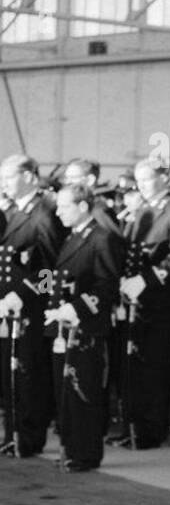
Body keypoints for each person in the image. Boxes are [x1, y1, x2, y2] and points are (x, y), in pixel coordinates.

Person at [112, 160, 170, 450]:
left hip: (160, 302)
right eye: (139, 180)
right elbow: (132, 252)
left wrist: (146, 279)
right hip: (136, 301)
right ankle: (133, 427)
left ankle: (152, 430)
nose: (142, 186)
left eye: (147, 179)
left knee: (155, 369)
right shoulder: (142, 211)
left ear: (163, 179)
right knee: (133, 367)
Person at [45, 185, 124, 471]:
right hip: (64, 326)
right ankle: (71, 448)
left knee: (83, 392)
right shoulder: (73, 237)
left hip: (86, 328)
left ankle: (86, 453)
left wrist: (77, 307)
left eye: (64, 206)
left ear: (82, 206)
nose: (58, 212)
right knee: (65, 392)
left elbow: (107, 285)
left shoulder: (102, 238)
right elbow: (59, 277)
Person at [0, 155, 64, 457]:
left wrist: (24, 294)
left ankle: (29, 436)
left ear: (28, 176)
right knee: (11, 373)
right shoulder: (17, 212)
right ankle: (14, 432)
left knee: (30, 374)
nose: (3, 184)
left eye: (8, 177)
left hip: (32, 310)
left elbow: (51, 269)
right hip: (10, 309)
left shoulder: (44, 213)